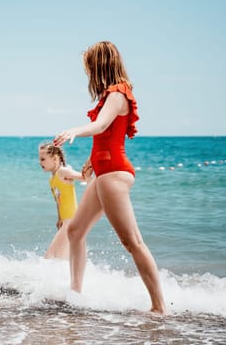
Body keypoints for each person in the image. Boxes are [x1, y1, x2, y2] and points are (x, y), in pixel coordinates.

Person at [53, 41, 167, 314]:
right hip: (103, 173)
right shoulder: (109, 96)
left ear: (100, 64)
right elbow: (108, 136)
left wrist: (74, 131)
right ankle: (76, 294)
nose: (88, 73)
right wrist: (91, 160)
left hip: (114, 175)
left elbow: (101, 126)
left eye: (89, 67)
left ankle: (160, 308)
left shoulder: (118, 94)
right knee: (75, 231)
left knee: (132, 242)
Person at [38, 142, 85, 260]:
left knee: (49, 257)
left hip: (72, 221)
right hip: (66, 222)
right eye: (40, 159)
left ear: (54, 159)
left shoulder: (63, 172)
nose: (40, 162)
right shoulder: (52, 179)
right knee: (63, 257)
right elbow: (58, 201)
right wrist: (59, 219)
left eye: (43, 159)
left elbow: (84, 177)